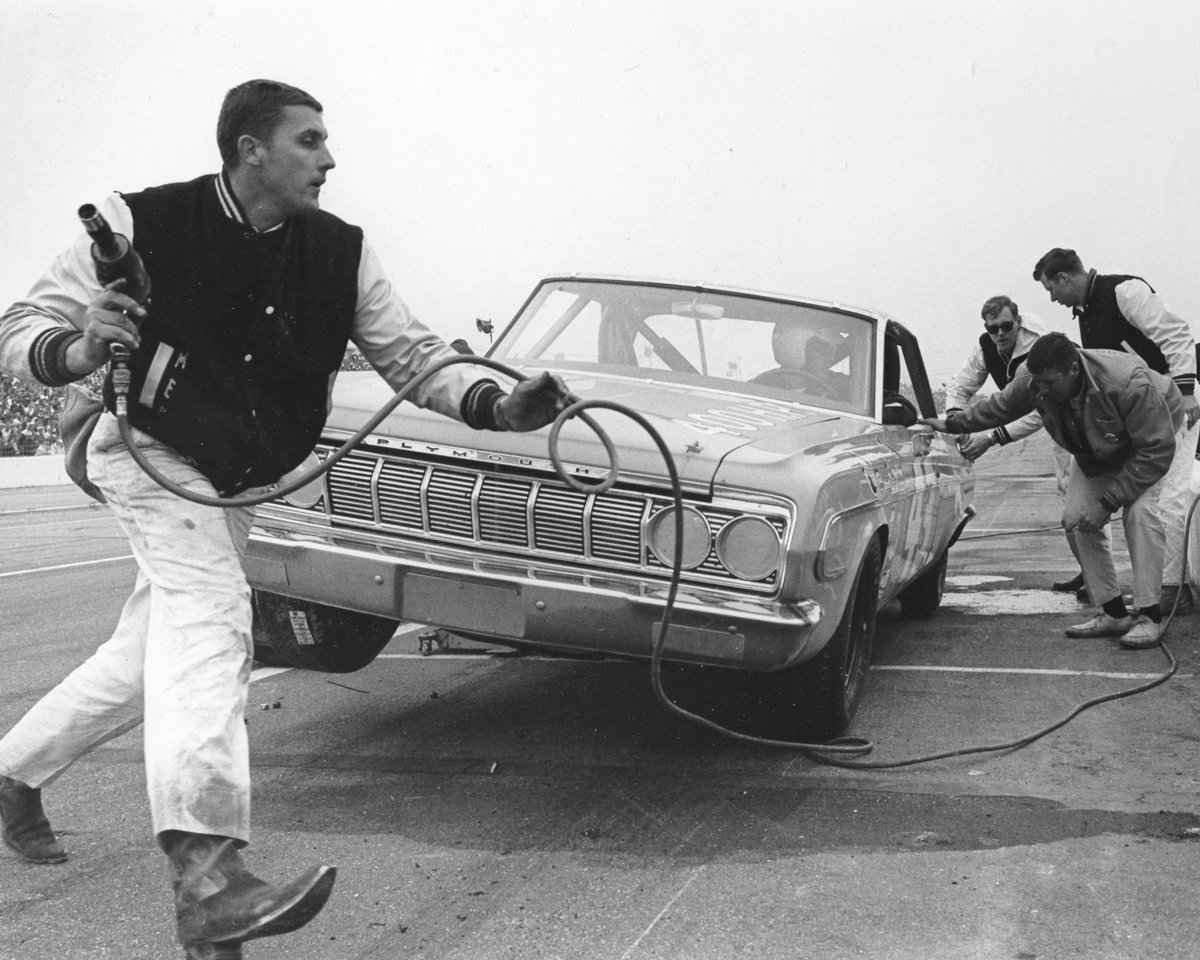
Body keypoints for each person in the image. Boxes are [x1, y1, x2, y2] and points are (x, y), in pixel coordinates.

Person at [0, 79, 568, 959]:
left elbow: (414, 357)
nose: (329, 159)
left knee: (154, 653)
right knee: (212, 620)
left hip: (231, 479)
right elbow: (20, 326)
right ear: (250, 148)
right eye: (310, 140)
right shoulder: (138, 219)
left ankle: (10, 777)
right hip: (143, 448)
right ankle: (207, 877)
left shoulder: (343, 252)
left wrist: (498, 405)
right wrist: (76, 346)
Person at [922, 332, 1183, 648]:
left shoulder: (1127, 382)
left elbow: (1156, 450)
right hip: (1097, 446)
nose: (1041, 391)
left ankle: (1149, 615)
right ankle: (1114, 613)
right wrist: (951, 424)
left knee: (1140, 515)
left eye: (1049, 383)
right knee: (1077, 520)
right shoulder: (1034, 380)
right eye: (1037, 383)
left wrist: (1108, 501)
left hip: (1149, 442)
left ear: (1073, 370)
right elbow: (999, 407)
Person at [1033, 249, 1200, 614]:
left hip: (1173, 400)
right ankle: (1129, 598)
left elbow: (1175, 334)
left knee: (1164, 498)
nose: (1053, 299)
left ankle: (1172, 590)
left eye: (1051, 289)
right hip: (1136, 413)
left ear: (1064, 277)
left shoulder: (1124, 291)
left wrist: (1187, 389)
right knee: (1121, 504)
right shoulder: (1086, 313)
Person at [943, 295, 1085, 596]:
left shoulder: (1037, 346)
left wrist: (990, 438)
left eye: (1006, 326)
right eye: (992, 328)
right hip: (1055, 425)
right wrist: (957, 420)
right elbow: (960, 385)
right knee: (1068, 493)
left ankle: (1096, 575)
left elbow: (1036, 412)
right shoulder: (986, 346)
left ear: (1018, 322)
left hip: (1075, 421)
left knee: (1082, 499)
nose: (999, 334)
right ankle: (1089, 570)